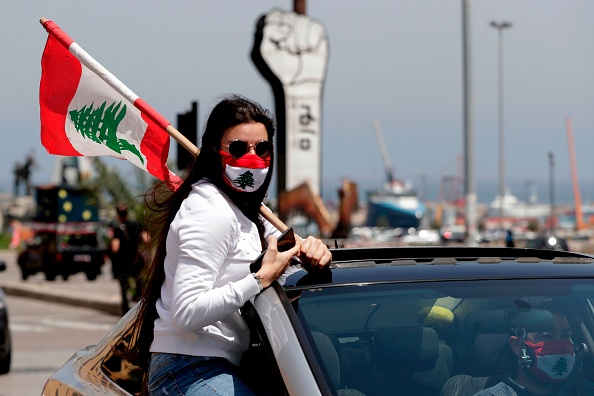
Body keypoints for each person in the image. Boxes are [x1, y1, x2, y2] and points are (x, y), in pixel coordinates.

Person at [122, 95, 332, 395]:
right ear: (214, 153)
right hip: (190, 367)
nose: (252, 157)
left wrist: (315, 251)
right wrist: (258, 279)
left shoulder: (250, 212)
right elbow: (186, 313)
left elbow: (290, 246)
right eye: (238, 148)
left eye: (262, 148)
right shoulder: (210, 209)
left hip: (227, 365)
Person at [474, 302, 594, 396]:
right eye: (547, 336)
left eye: (565, 336)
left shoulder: (585, 390)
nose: (561, 346)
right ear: (517, 345)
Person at [109, 205, 142, 315]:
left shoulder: (118, 229)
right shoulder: (136, 225)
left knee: (123, 285)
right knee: (138, 280)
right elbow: (147, 239)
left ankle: (126, 309)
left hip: (122, 261)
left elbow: (115, 247)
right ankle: (139, 303)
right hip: (135, 259)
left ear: (118, 214)